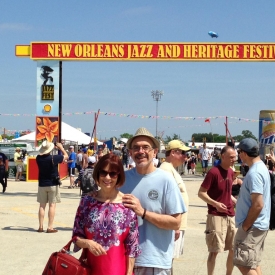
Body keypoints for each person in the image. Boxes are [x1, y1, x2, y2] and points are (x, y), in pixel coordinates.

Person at [120, 127, 186, 274]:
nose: (140, 151)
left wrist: (142, 212)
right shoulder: (122, 180)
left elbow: (175, 222)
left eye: (146, 147)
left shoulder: (166, 180)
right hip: (125, 260)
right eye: (136, 148)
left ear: (155, 152)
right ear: (130, 153)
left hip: (155, 261)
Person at [72, 154, 141, 275]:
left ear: (119, 176)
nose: (107, 177)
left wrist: (129, 272)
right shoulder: (87, 202)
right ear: (97, 174)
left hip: (118, 269)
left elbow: (132, 246)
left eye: (113, 174)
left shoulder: (127, 205)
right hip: (90, 268)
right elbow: (76, 236)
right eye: (103, 173)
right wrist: (87, 243)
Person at [234, 138, 271, 275]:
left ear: (244, 153)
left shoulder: (254, 173)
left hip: (252, 227)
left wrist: (245, 226)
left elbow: (258, 204)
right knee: (252, 263)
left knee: (243, 263)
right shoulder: (260, 167)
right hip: (258, 225)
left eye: (239, 152)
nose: (238, 155)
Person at [198, 146, 237, 275]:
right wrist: (215, 204)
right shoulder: (213, 172)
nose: (234, 159)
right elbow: (201, 193)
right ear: (223, 156)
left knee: (233, 249)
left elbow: (227, 192)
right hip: (216, 215)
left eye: (235, 157)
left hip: (231, 215)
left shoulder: (231, 172)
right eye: (231, 157)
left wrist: (233, 199)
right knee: (214, 251)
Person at [159, 139, 190, 273]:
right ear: (173, 153)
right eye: (183, 153)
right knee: (167, 260)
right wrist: (174, 226)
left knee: (169, 260)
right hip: (173, 225)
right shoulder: (166, 170)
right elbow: (165, 199)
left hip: (176, 224)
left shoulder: (171, 169)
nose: (185, 156)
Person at [36, 141, 68, 233]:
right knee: (52, 205)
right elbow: (66, 156)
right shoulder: (54, 158)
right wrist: (61, 148)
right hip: (53, 183)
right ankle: (50, 227)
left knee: (42, 205)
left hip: (42, 183)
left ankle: (40, 226)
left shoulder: (38, 158)